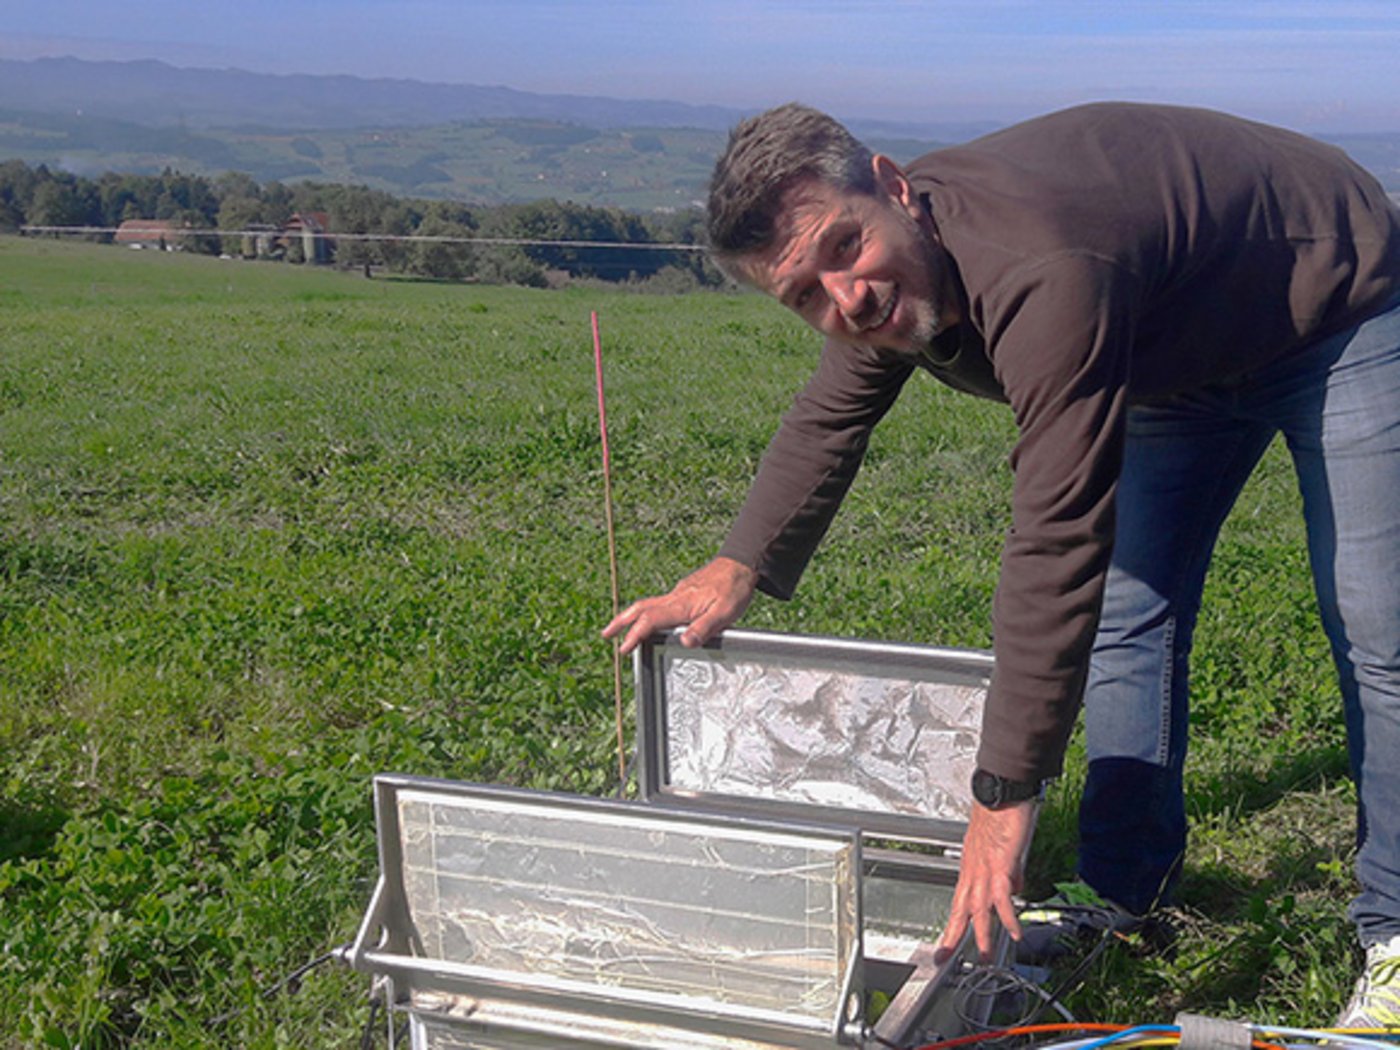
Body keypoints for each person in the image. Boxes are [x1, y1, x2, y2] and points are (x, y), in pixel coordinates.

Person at [601, 101, 1400, 1023]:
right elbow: (828, 418)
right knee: (1131, 617)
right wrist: (737, 563)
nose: (846, 299)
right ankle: (1123, 893)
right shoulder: (886, 277)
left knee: (1378, 630)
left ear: (895, 187)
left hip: (1330, 304)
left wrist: (1002, 799)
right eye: (806, 295)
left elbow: (1058, 534)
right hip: (1169, 341)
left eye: (845, 247)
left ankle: (1395, 929)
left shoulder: (1040, 265)